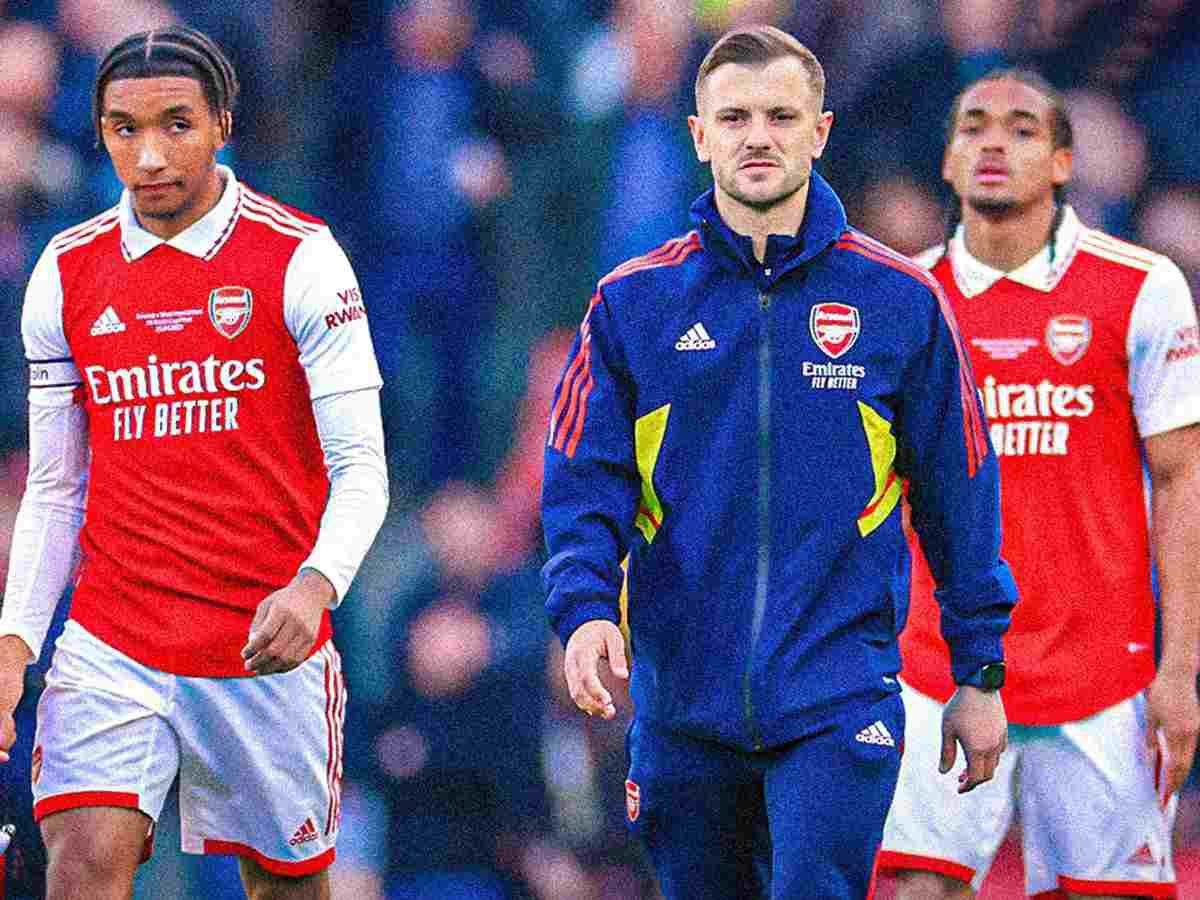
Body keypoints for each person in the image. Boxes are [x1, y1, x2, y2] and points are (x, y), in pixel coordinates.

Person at [540, 26, 1018, 900]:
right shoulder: (631, 305)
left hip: (840, 695)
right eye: (734, 117)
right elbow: (582, 483)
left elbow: (964, 498)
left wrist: (978, 672)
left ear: (820, 131)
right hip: (684, 704)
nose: (757, 135)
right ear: (699, 136)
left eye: (779, 115)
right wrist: (582, 611)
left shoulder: (902, 302)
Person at [0, 25, 388, 900]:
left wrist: (315, 584)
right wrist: (15, 640)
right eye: (123, 129)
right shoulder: (66, 271)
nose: (149, 155)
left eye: (176, 124)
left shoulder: (301, 257)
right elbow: (57, 488)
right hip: (114, 636)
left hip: (263, 641)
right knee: (81, 859)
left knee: (283, 888)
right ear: (99, 134)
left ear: (222, 124)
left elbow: (363, 464)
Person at [879, 69, 1200, 899]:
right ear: (946, 162)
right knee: (918, 888)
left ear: (1064, 161)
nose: (993, 142)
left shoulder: (1142, 287)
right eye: (973, 127)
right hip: (937, 668)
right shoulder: (904, 299)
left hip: (1104, 675)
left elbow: (1180, 480)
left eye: (1021, 129)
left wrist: (1179, 671)